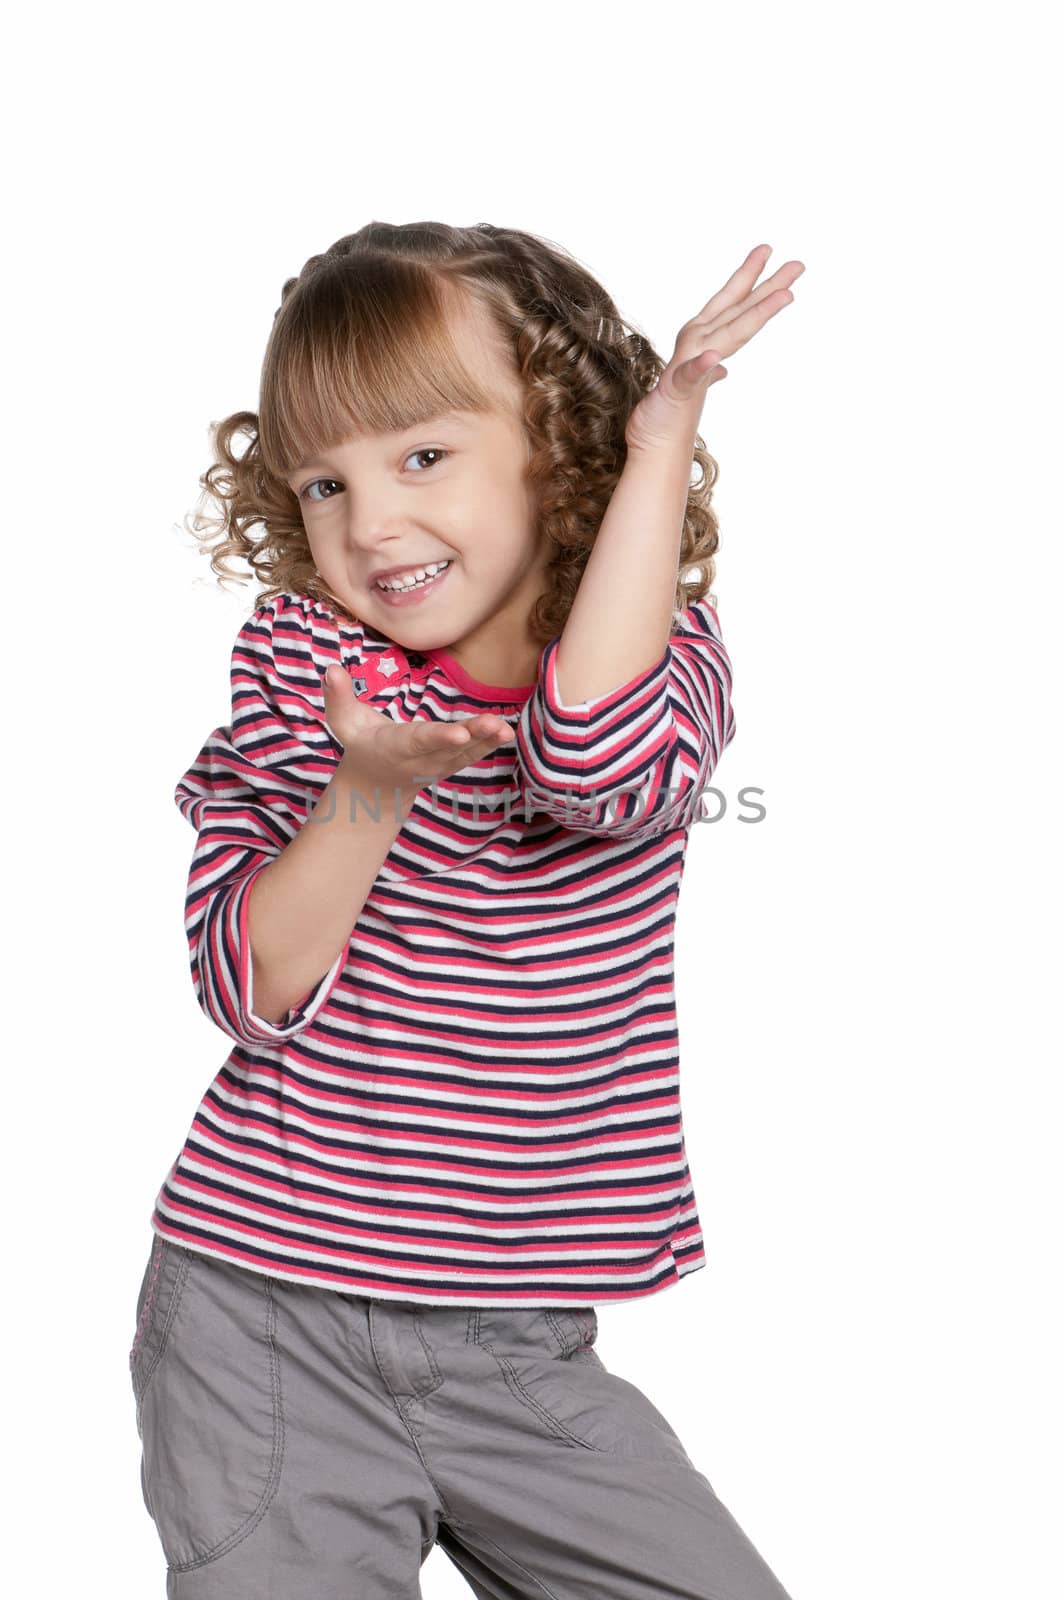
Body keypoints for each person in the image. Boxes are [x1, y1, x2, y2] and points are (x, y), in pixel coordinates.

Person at [128, 219, 804, 1599]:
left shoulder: (673, 657)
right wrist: (365, 792)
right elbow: (249, 983)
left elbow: (594, 762)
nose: (369, 525)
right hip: (267, 1318)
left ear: (562, 443)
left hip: (514, 1345)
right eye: (324, 483)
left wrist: (662, 429)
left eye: (422, 456)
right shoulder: (307, 662)